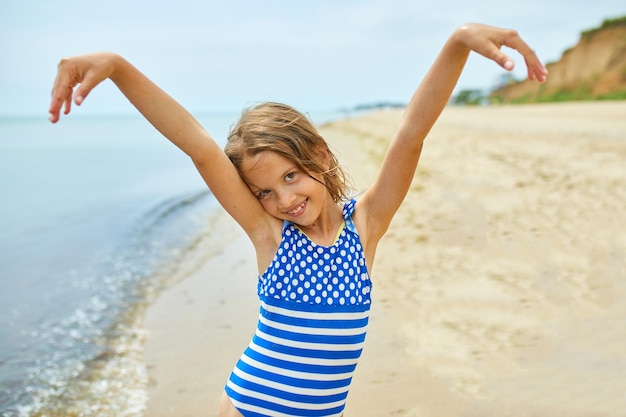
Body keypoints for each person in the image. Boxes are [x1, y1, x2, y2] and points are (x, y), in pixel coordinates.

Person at [48, 23, 547, 417]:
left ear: (321, 156)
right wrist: (116, 67)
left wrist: (458, 43)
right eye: (264, 191)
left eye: (291, 176)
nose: (284, 199)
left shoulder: (365, 225)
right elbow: (199, 147)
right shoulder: (270, 236)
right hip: (246, 408)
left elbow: (410, 134)